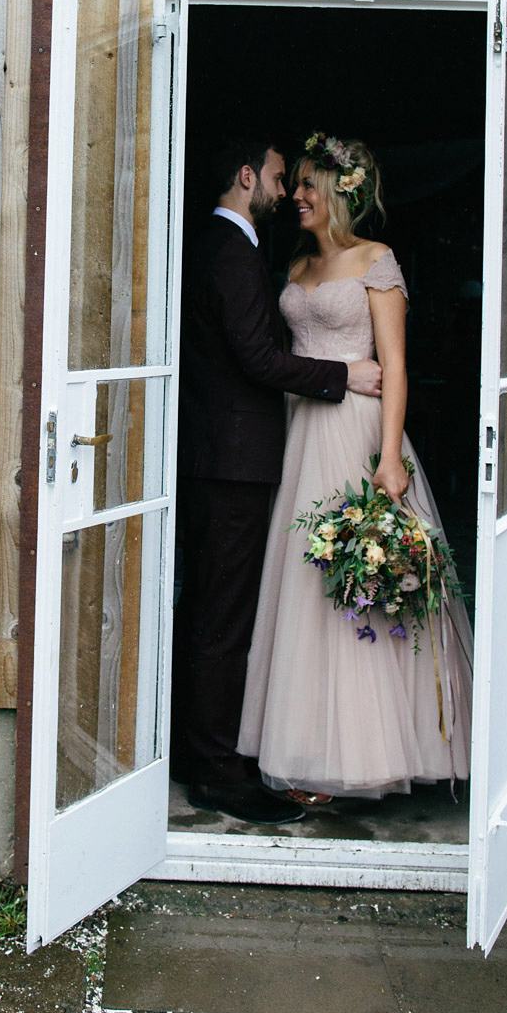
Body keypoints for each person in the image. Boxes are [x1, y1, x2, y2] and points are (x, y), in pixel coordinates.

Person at [238, 134, 473, 797]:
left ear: (343, 194)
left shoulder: (378, 261)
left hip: (358, 433)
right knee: (305, 588)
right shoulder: (296, 265)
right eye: (298, 185)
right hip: (299, 431)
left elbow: (395, 366)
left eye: (310, 186)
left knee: (362, 576)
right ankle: (305, 747)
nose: (298, 198)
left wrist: (391, 457)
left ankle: (366, 755)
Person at [173, 138, 383, 825]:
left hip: (252, 454)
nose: (283, 188)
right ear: (245, 177)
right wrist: (341, 376)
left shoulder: (233, 248)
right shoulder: (230, 251)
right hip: (233, 460)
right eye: (273, 176)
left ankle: (213, 753)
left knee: (226, 610)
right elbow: (261, 358)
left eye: (297, 181)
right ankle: (213, 771)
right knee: (224, 618)